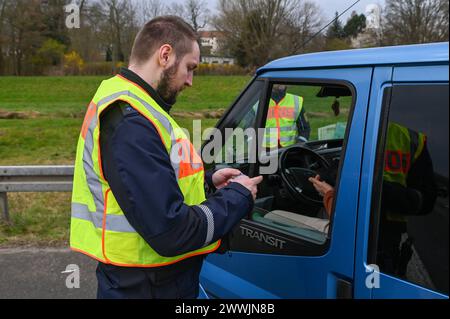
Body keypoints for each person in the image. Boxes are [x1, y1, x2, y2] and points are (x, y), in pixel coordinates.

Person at [70, 16, 263, 299]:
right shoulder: (131, 120)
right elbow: (171, 231)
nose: (190, 81)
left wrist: (208, 182)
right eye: (190, 68)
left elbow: (155, 181)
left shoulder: (138, 106)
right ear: (165, 55)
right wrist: (238, 197)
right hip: (145, 286)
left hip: (151, 281)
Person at [309, 122, 437, 277]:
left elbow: (425, 202)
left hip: (376, 234)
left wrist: (332, 192)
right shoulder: (412, 137)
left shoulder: (360, 124)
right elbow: (425, 201)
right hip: (384, 233)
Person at [263, 84, 310, 149]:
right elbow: (249, 128)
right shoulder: (259, 101)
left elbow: (305, 129)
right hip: (264, 152)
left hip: (289, 151)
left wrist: (299, 145)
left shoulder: (295, 101)